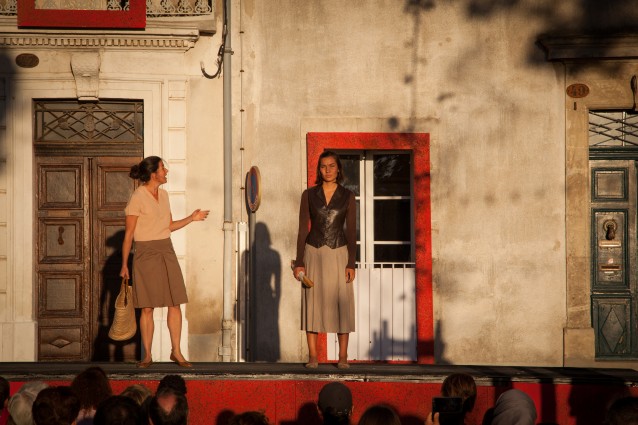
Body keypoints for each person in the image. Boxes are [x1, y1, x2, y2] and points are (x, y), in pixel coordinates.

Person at [120, 156, 209, 368]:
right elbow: (129, 234)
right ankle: (148, 355)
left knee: (174, 302)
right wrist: (124, 264)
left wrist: (191, 218)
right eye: (163, 168)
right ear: (154, 174)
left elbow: (168, 225)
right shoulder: (137, 197)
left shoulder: (164, 194)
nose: (166, 172)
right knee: (147, 307)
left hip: (166, 250)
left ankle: (176, 351)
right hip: (145, 253)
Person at [293, 150, 357, 368]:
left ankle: (343, 357)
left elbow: (351, 232)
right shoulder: (308, 195)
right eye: (323, 166)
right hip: (312, 251)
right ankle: (313, 356)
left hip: (340, 252)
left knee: (343, 301)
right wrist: (299, 261)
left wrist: (351, 263)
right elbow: (303, 229)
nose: (328, 170)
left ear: (338, 168)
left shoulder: (348, 196)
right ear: (318, 169)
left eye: (331, 166)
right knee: (312, 302)